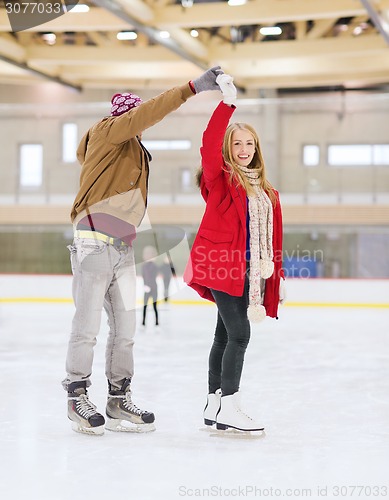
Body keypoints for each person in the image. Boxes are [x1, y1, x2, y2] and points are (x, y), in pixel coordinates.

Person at [62, 66, 224, 435]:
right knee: (87, 326)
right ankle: (76, 396)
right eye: (133, 118)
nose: (139, 124)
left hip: (122, 247)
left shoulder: (132, 149)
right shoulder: (108, 130)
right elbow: (146, 113)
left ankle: (118, 399)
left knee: (126, 330)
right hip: (93, 241)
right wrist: (193, 88)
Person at [184, 74, 286, 433]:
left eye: (249, 144)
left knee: (224, 336)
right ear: (228, 148)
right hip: (221, 266)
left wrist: (279, 274)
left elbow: (274, 238)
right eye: (237, 144)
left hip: (251, 272)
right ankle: (230, 404)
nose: (244, 149)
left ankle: (213, 402)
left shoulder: (267, 191)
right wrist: (226, 105)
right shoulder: (221, 180)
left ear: (257, 147)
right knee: (240, 334)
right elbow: (209, 143)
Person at [141, 246, 159, 326]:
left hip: (154, 288)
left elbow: (152, 276)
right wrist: (145, 286)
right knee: (145, 306)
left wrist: (149, 286)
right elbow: (144, 277)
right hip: (146, 288)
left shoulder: (154, 266)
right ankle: (143, 321)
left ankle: (157, 321)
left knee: (154, 306)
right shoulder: (144, 266)